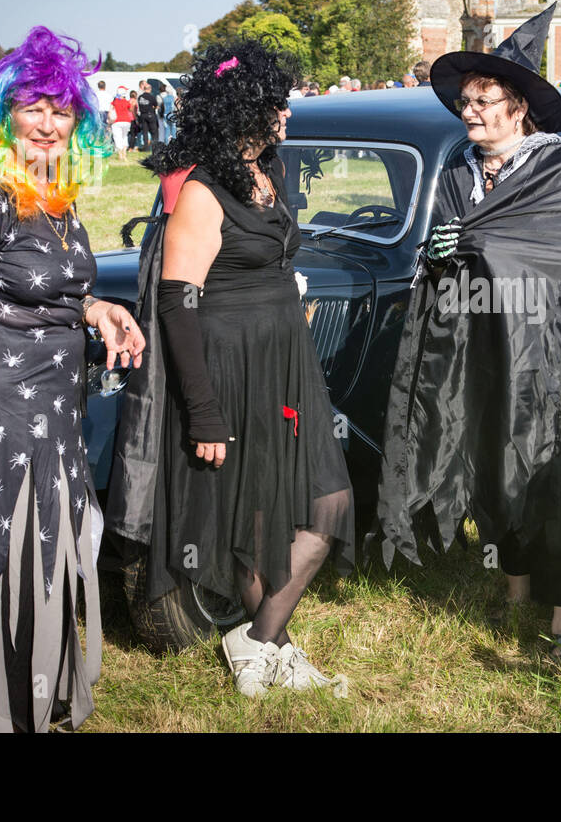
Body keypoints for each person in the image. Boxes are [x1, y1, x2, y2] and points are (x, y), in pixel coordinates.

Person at [0, 25, 144, 732]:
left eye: (62, 110)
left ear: (79, 121)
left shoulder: (53, 194)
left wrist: (99, 307)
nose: (47, 124)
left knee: (47, 556)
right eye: (33, 106)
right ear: (3, 112)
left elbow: (39, 288)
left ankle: (36, 699)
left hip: (56, 418)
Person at [110, 41, 354, 698]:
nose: (289, 112)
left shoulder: (269, 172)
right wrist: (206, 412)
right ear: (247, 108)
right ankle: (266, 645)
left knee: (325, 501)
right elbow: (177, 303)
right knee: (252, 513)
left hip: (282, 360)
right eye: (279, 102)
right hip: (229, 364)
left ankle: (260, 641)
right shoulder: (203, 193)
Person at [377, 3, 561, 660]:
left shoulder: (559, 171)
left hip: (549, 356)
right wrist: (446, 252)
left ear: (519, 109)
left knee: (549, 474)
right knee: (495, 465)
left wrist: (484, 248)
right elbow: (444, 257)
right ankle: (514, 591)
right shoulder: (458, 172)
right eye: (466, 101)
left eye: (485, 101)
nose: (470, 112)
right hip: (481, 349)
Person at [109, 87, 134, 160]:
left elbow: (110, 110)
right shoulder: (126, 102)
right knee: (124, 137)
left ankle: (120, 155)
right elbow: (130, 109)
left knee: (117, 137)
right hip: (126, 121)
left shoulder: (114, 102)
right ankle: (124, 154)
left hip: (117, 121)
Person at [136, 80, 159, 150]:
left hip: (143, 115)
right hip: (150, 115)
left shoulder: (140, 97)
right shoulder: (151, 97)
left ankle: (146, 147)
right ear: (150, 89)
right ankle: (154, 147)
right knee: (154, 132)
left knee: (145, 132)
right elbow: (156, 106)